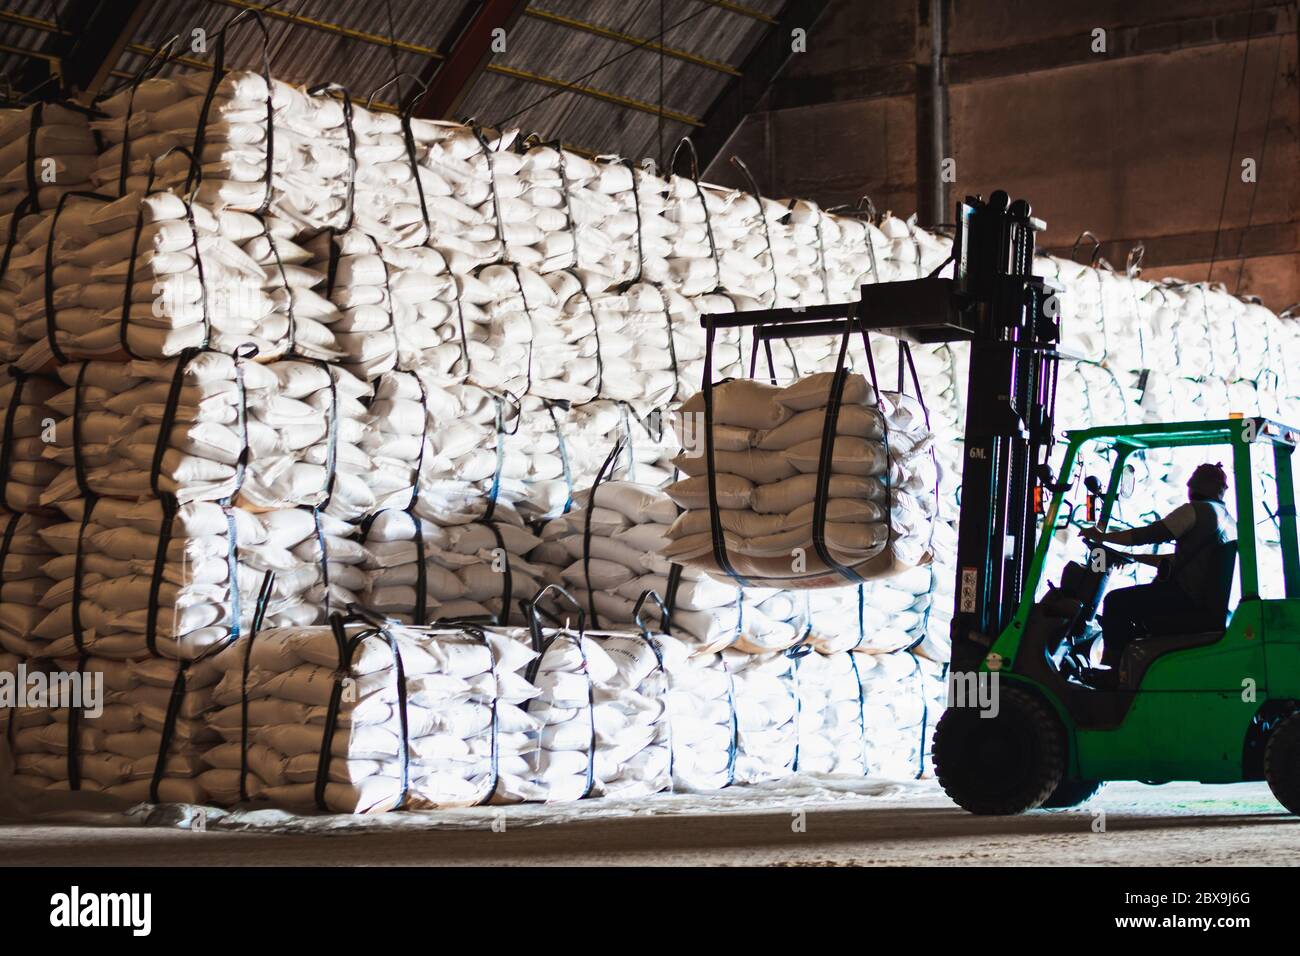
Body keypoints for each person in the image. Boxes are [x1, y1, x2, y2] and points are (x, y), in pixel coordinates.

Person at [1080, 462, 1237, 671]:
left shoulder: (1195, 511)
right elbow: (1181, 560)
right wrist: (1132, 558)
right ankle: (1127, 667)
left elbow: (1146, 535)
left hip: (1185, 597)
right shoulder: (1228, 522)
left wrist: (1102, 537)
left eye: (1193, 479)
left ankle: (1111, 672)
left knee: (1116, 602)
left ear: (1196, 484)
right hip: (1203, 601)